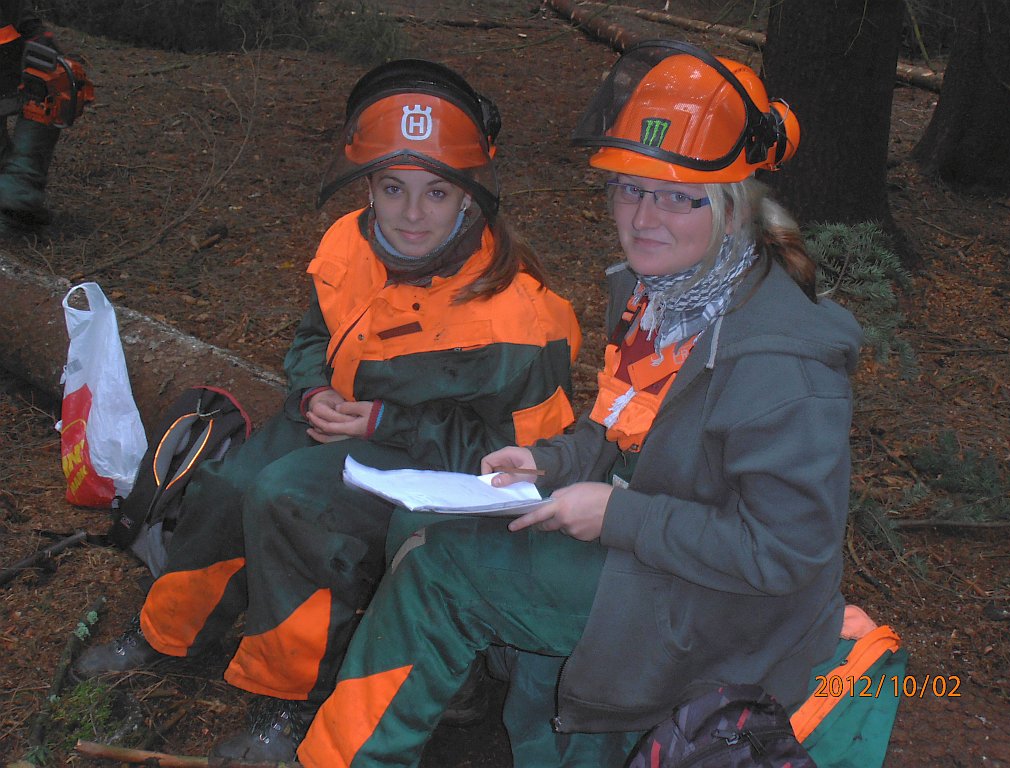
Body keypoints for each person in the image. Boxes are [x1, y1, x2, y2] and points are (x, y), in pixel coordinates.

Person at [297, 40, 863, 768]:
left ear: (732, 210)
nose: (644, 217)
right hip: (654, 555)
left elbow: (782, 553)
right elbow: (619, 430)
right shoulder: (660, 298)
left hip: (725, 611)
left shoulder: (780, 363)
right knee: (426, 524)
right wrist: (548, 461)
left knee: (445, 568)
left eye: (678, 197)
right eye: (630, 189)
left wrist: (617, 515)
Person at [73, 59, 581, 761]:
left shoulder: (521, 315)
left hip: (425, 463)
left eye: (436, 192)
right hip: (335, 421)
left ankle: (285, 699)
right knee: (228, 485)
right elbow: (313, 338)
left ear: (471, 194)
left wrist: (384, 423)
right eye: (393, 188)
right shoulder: (348, 240)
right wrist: (311, 391)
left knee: (292, 503)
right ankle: (165, 631)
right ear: (367, 185)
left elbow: (530, 459)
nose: (411, 214)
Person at [0, 1, 88, 224]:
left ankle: (19, 188)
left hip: (9, 69)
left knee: (53, 86)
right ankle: (18, 187)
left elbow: (20, 17)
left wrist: (39, 37)